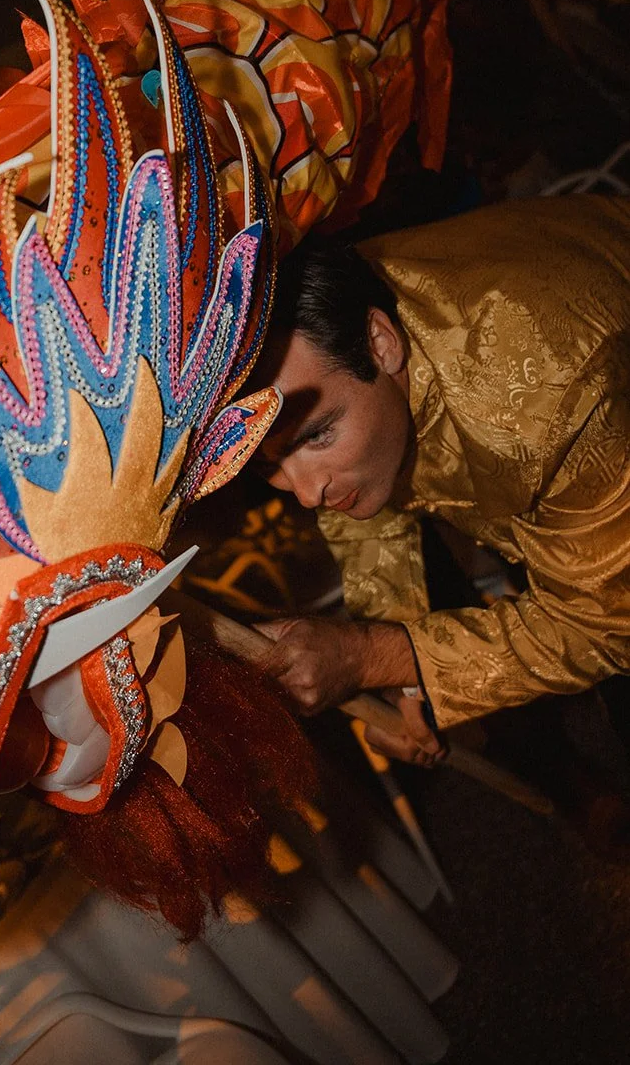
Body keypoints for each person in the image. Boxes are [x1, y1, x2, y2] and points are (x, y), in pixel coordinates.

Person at [255, 194, 630, 766]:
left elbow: (609, 621)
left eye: (319, 435)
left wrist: (372, 657)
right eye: (268, 464)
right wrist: (403, 681)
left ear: (381, 343)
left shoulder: (546, 401)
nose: (307, 494)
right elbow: (363, 515)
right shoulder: (336, 322)